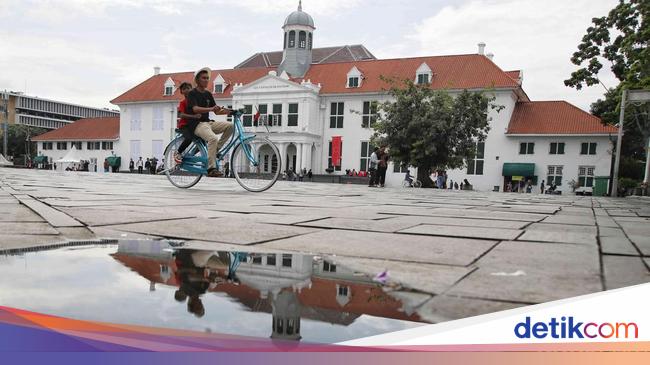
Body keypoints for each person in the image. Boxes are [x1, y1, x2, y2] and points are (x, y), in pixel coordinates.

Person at [186, 67, 233, 177]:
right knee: (213, 138)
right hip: (197, 124)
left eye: (207, 78)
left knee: (231, 126)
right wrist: (210, 109)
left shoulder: (208, 94)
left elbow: (216, 111)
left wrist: (230, 111)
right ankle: (211, 168)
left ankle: (215, 151)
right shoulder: (192, 93)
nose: (207, 80)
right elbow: (195, 109)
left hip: (208, 123)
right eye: (204, 78)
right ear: (197, 80)